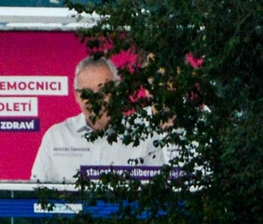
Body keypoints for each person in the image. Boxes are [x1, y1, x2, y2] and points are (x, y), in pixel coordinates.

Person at [28, 55, 171, 186]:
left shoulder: (145, 138)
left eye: (103, 92)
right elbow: (35, 197)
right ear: (77, 96)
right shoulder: (56, 137)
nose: (96, 102)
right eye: (87, 94)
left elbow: (158, 199)